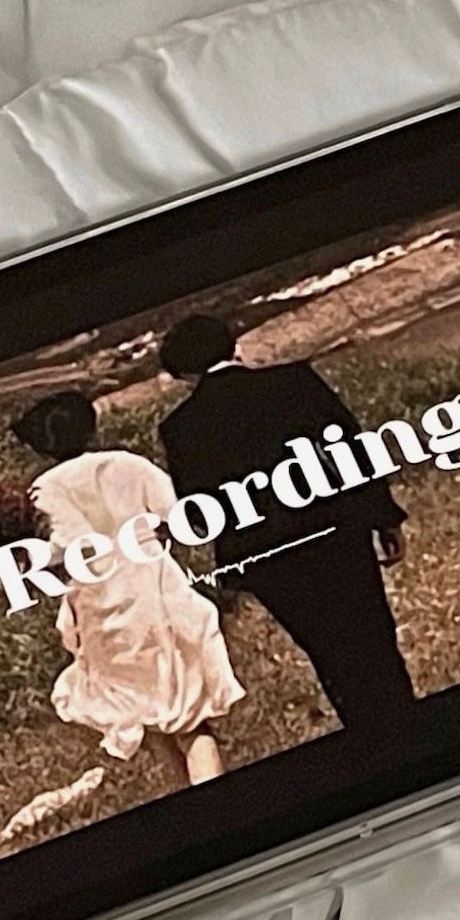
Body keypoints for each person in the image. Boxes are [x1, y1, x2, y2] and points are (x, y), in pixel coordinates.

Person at [154, 312, 418, 741]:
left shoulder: (181, 428)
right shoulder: (293, 381)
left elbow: (201, 508)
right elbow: (354, 452)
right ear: (231, 343)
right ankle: (406, 723)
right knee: (374, 636)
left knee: (327, 651)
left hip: (269, 557)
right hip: (335, 532)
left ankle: (371, 736)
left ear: (184, 372)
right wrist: (383, 517)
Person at [9, 391, 241, 786]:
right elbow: (177, 515)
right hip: (159, 593)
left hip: (103, 610)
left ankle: (194, 799)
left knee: (149, 717)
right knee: (191, 719)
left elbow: (60, 550)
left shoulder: (43, 490)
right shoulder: (129, 464)